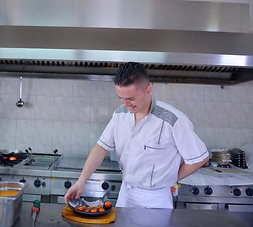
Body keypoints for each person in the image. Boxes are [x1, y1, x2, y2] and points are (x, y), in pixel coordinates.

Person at [64, 62, 209, 208]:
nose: (126, 104)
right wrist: (80, 181)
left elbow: (199, 159)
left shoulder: (173, 120)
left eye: (131, 99)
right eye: (121, 97)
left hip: (156, 199)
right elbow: (101, 147)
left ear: (148, 90)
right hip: (126, 194)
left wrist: (169, 179)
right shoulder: (120, 114)